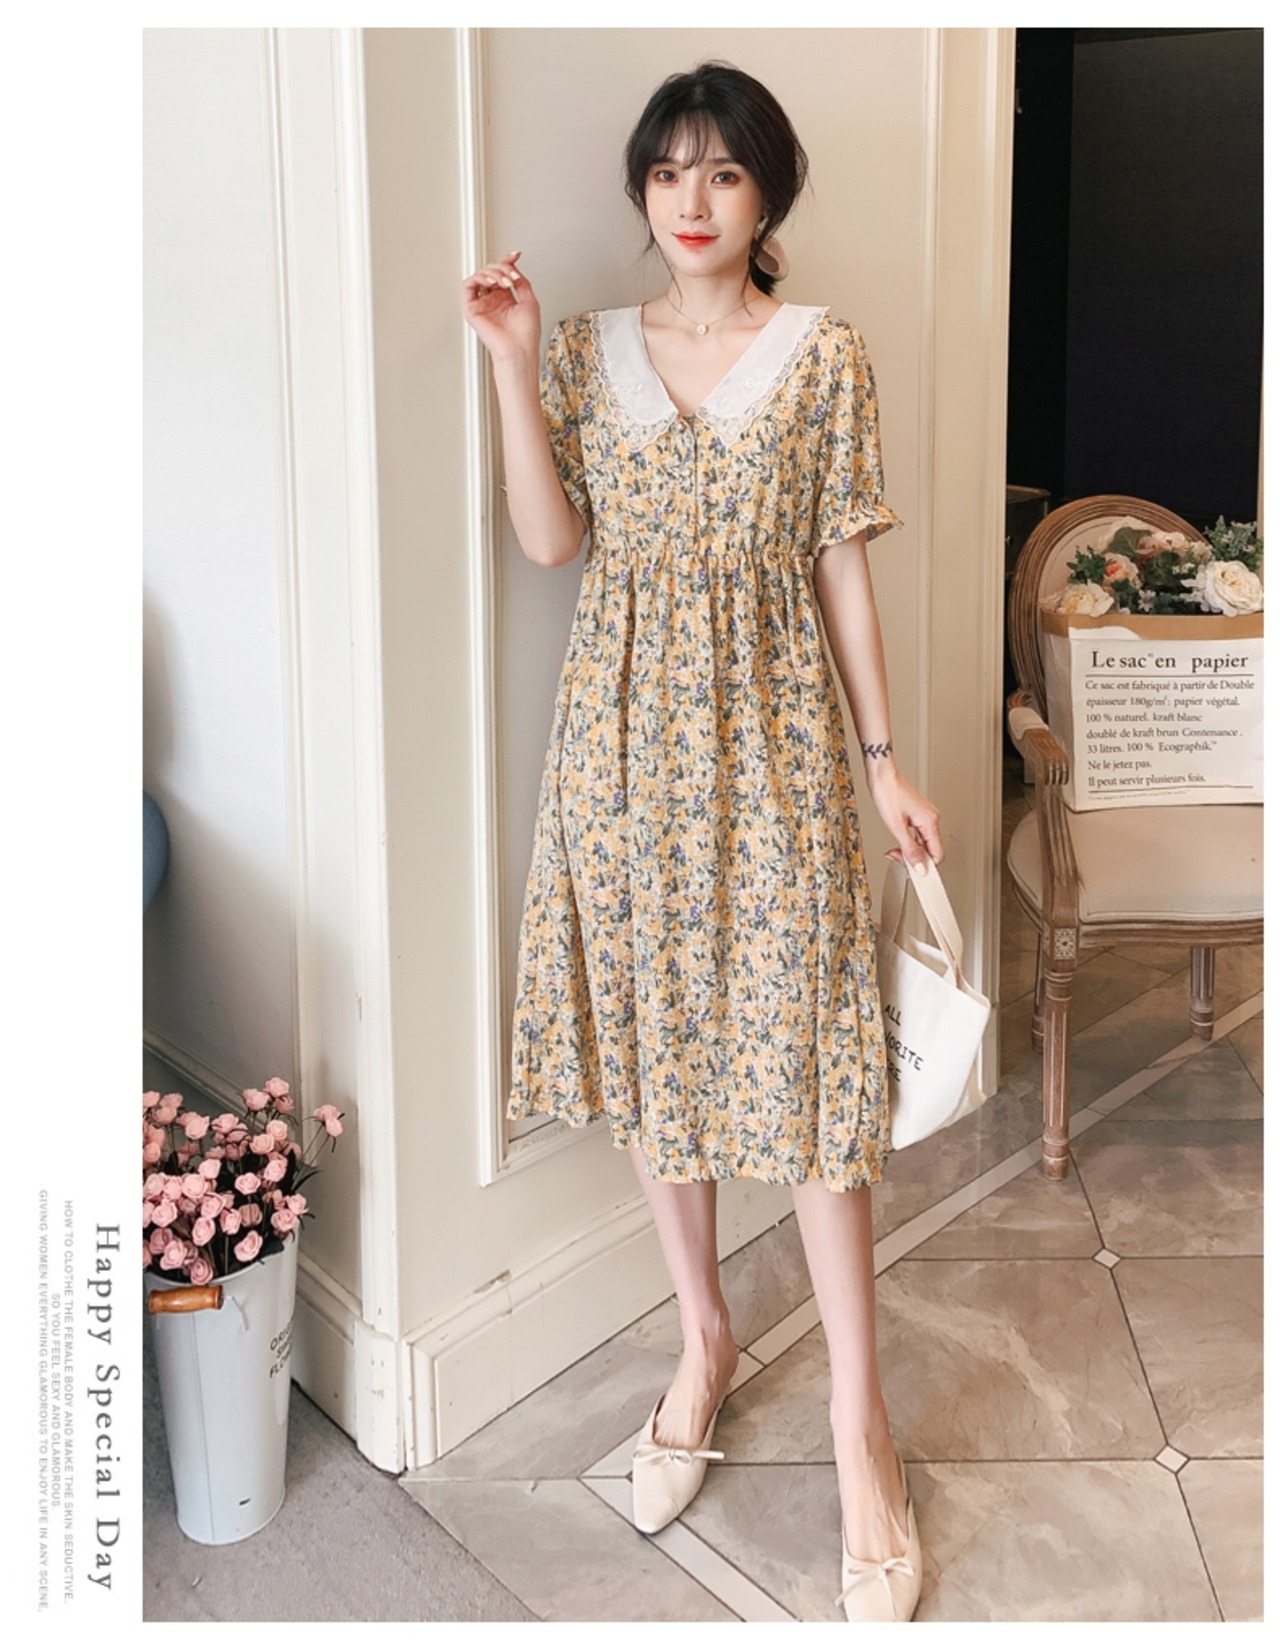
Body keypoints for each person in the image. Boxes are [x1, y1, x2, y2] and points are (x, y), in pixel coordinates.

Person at [462, 61, 942, 1623]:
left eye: (723, 172)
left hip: (781, 743)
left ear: (765, 194)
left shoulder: (822, 357)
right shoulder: (587, 350)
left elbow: (842, 567)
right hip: (618, 757)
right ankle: (705, 1340)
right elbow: (552, 542)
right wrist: (510, 364)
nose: (692, 198)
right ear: (643, 189)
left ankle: (862, 1431)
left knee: (809, 1074)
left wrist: (884, 764)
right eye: (669, 170)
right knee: (660, 1053)